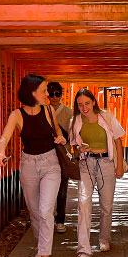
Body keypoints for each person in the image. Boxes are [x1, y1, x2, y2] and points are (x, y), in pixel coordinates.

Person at [0, 74, 66, 257]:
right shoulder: (17, 115)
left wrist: (60, 138)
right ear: (31, 92)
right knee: (34, 212)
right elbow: (5, 136)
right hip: (28, 165)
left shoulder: (49, 111)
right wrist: (1, 152)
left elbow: (58, 133)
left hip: (51, 164)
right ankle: (41, 244)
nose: (47, 94)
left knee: (45, 211)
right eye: (44, 91)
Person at [69, 89, 125, 257]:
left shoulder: (107, 117)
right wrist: (79, 149)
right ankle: (83, 250)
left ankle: (104, 238)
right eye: (80, 104)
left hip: (106, 163)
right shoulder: (75, 121)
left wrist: (120, 164)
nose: (84, 107)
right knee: (83, 203)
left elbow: (118, 140)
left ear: (93, 102)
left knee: (106, 205)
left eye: (87, 103)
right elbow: (73, 147)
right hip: (86, 164)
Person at [47, 82, 74, 234]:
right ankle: (48, 218)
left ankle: (60, 220)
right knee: (46, 189)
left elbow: (73, 136)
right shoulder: (42, 111)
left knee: (62, 189)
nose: (54, 97)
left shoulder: (69, 113)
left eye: (57, 94)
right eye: (51, 94)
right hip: (46, 154)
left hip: (62, 155)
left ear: (62, 95)